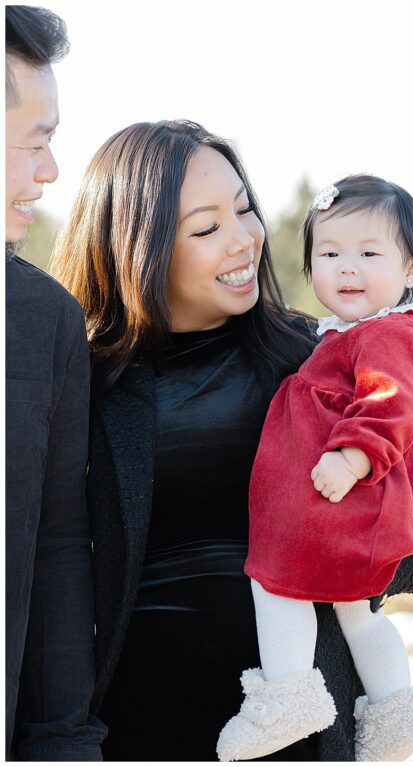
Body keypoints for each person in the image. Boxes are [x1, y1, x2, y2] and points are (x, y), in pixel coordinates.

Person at [50, 121, 413, 760]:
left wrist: (337, 541)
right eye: (208, 228)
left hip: (300, 729)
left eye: (245, 210)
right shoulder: (82, 379)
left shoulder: (319, 358)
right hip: (138, 719)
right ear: (139, 247)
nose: (244, 240)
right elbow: (47, 572)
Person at [218, 175, 413, 762]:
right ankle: (395, 707)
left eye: (368, 253)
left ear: (411, 270)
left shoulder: (387, 334)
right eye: (329, 254)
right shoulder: (346, 335)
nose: (346, 268)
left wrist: (353, 456)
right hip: (352, 500)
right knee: (358, 611)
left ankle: (288, 695)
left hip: (347, 494)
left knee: (277, 581)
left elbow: (391, 402)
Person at [5, 5, 106, 759]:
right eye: (36, 141)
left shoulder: (46, 321)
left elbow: (57, 550)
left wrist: (64, 745)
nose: (50, 170)